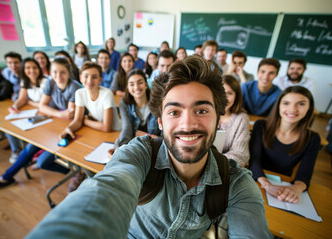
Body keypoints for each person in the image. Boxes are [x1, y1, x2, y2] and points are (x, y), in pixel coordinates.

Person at [27, 56, 271, 239]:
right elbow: (108, 189)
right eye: (174, 111)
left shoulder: (236, 182)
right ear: (161, 123)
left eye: (202, 110)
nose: (187, 123)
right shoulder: (140, 154)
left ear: (218, 120)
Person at [0, 58, 81, 191]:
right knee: (29, 149)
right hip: (54, 123)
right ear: (51, 73)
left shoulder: (74, 87)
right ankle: (6, 177)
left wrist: (55, 113)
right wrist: (59, 114)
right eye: (55, 72)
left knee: (42, 162)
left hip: (72, 127)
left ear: (69, 73)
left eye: (63, 72)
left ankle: (76, 172)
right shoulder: (51, 83)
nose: (58, 76)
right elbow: (43, 106)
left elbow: (69, 115)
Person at [249, 86, 320, 203]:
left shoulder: (313, 138)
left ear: (309, 108)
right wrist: (267, 185)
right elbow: (254, 160)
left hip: (282, 183)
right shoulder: (261, 126)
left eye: (301, 104)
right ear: (278, 106)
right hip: (257, 180)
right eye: (286, 103)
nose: (292, 109)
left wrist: (295, 189)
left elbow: (305, 174)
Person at [59, 62, 121, 192]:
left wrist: (85, 121)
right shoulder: (80, 93)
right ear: (81, 77)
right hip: (98, 132)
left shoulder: (107, 94)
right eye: (86, 76)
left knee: (102, 166)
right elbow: (77, 120)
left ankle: (103, 187)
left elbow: (107, 127)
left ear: (100, 79)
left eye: (94, 77)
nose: (89, 80)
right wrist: (68, 129)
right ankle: (93, 184)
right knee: (87, 160)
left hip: (115, 133)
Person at [7, 58, 49, 163]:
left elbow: (43, 104)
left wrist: (29, 102)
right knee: (10, 128)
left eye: (34, 67)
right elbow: (22, 99)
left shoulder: (46, 81)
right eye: (28, 68)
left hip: (47, 114)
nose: (32, 70)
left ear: (39, 68)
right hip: (34, 112)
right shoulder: (24, 81)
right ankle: (21, 153)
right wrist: (15, 106)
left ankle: (30, 156)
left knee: (33, 140)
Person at [114, 69, 160, 148]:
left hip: (155, 146)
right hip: (135, 145)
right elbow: (126, 129)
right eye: (132, 84)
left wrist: (147, 135)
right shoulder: (124, 103)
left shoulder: (157, 103)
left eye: (140, 83)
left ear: (146, 85)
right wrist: (119, 150)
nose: (136, 87)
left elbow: (163, 138)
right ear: (128, 88)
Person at [219, 75, 250, 167]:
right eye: (221, 92)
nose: (225, 98)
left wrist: (211, 162)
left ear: (236, 96)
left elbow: (240, 154)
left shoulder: (241, 119)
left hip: (224, 170)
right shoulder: (204, 114)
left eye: (230, 93)